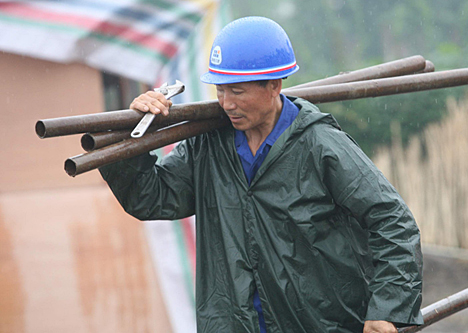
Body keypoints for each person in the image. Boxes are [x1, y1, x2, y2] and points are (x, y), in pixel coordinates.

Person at [100, 16, 423, 333]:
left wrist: (387, 309)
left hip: (319, 322)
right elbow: (151, 198)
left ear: (274, 86)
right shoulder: (207, 145)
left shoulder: (318, 143)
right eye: (220, 90)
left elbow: (392, 220)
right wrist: (129, 136)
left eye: (237, 91)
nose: (226, 104)